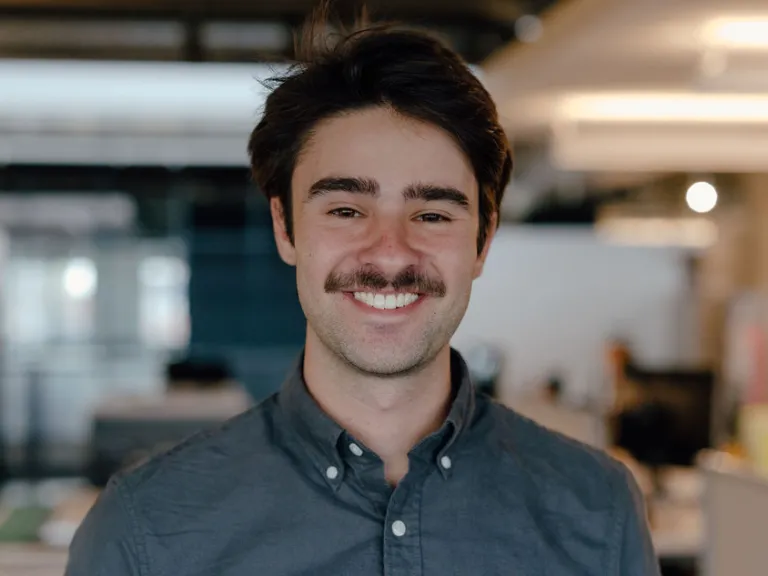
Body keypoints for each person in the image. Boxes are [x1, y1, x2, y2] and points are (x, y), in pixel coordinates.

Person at [66, 9, 659, 576]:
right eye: (347, 209)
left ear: (482, 241)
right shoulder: (145, 530)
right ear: (285, 227)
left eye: (432, 214)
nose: (391, 253)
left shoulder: (598, 511)